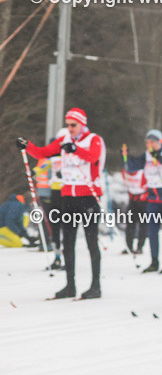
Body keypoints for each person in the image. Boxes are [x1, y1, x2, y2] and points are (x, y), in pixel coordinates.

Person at [19, 108, 106, 299]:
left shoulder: (93, 139)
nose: (70, 128)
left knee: (92, 242)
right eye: (68, 125)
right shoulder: (65, 139)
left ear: (82, 124)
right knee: (68, 243)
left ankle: (95, 286)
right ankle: (70, 286)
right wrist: (27, 146)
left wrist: (76, 149)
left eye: (73, 125)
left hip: (88, 198)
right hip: (69, 198)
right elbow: (43, 153)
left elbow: (93, 157)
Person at [124, 130, 162, 273]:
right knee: (152, 230)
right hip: (153, 198)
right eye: (147, 142)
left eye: (152, 142)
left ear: (159, 141)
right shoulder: (147, 155)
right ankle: (154, 261)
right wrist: (126, 156)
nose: (149, 145)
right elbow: (132, 167)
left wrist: (159, 158)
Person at [33, 153, 64, 265]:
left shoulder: (43, 159)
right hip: (52, 194)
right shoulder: (54, 160)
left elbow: (37, 173)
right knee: (52, 222)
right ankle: (50, 243)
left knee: (48, 221)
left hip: (46, 194)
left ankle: (47, 243)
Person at [122, 159, 148, 256]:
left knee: (143, 224)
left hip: (143, 202)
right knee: (130, 224)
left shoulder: (142, 172)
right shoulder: (125, 171)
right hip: (132, 201)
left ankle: (140, 247)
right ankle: (129, 247)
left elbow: (149, 185)